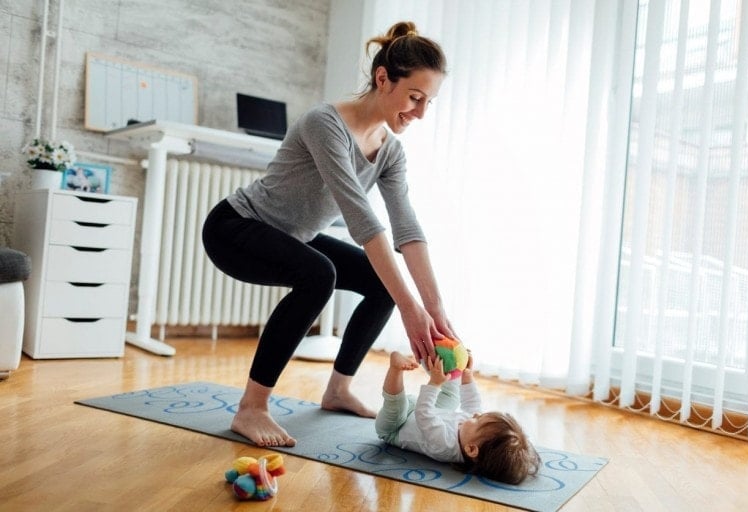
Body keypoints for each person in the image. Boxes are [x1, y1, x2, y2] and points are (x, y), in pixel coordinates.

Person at [202, 21, 456, 447]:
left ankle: (338, 389)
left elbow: (406, 227)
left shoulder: (390, 150)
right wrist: (411, 310)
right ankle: (251, 408)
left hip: (293, 236)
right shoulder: (325, 123)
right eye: (415, 97)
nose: (420, 113)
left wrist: (435, 310)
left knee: (379, 284)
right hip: (235, 227)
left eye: (428, 102)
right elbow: (362, 219)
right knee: (319, 275)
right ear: (382, 79)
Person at [375, 351, 541, 485]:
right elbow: (472, 404)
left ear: (471, 449)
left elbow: (423, 414)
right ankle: (447, 365)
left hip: (396, 427)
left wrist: (434, 383)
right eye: (481, 416)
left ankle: (395, 368)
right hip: (427, 412)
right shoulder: (472, 433)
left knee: (397, 405)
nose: (476, 415)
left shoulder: (444, 445)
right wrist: (466, 374)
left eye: (478, 420)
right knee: (452, 396)